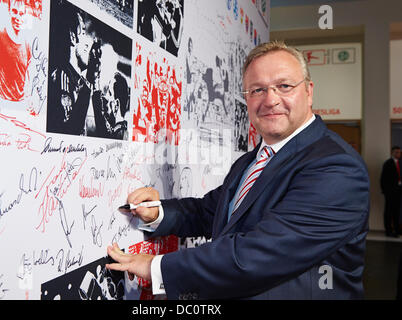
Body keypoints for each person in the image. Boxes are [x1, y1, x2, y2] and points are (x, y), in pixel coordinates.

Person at [106, 40, 370, 300]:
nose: (270, 100)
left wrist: (156, 267)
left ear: (309, 91)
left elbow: (261, 254)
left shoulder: (337, 168)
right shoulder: (250, 161)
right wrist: (157, 212)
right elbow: (210, 212)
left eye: (284, 86)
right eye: (257, 90)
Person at [47, 7, 94, 135]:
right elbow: (70, 130)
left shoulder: (74, 79)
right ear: (73, 37)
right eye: (83, 33)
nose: (88, 43)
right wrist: (88, 83)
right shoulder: (63, 77)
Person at [380, 146, 402, 237]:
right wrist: (385, 191)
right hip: (390, 192)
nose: (398, 154)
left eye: (399, 152)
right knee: (389, 211)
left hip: (399, 191)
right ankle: (388, 230)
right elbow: (383, 179)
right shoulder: (387, 163)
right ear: (392, 153)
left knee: (397, 211)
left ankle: (397, 230)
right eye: (396, 152)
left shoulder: (400, 163)